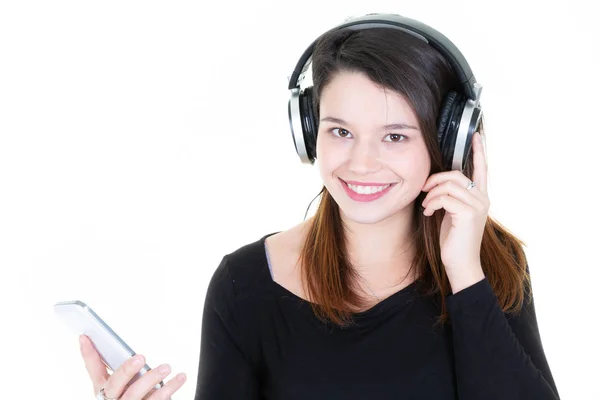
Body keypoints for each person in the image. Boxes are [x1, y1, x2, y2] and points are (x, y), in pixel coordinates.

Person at [80, 13, 561, 400]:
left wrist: (465, 278)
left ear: (447, 144)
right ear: (309, 133)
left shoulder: (488, 262)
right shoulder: (246, 288)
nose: (361, 162)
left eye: (395, 136)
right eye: (341, 131)